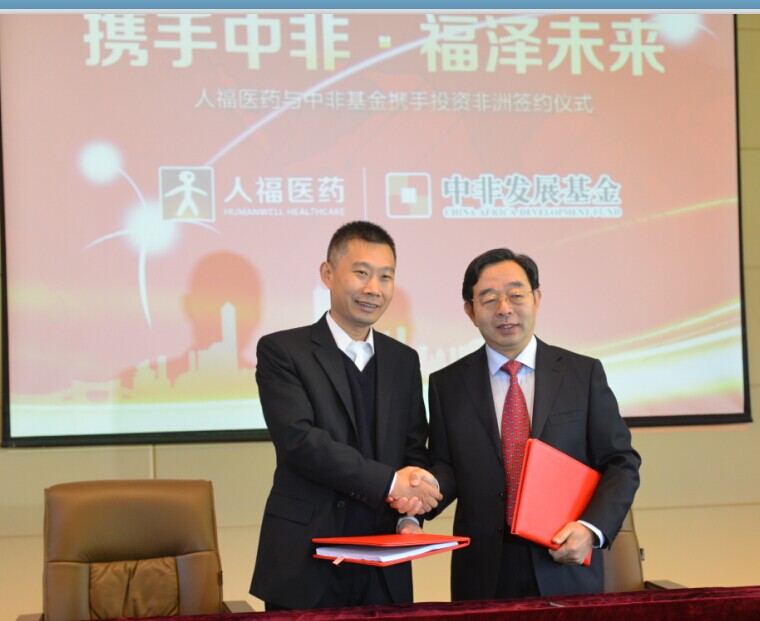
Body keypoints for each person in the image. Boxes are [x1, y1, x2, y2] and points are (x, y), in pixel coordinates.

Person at [423, 248, 641, 600]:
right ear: (470, 311)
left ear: (536, 299)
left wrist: (590, 529)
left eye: (516, 294)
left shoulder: (582, 374)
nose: (504, 308)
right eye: (488, 299)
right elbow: (446, 467)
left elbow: (621, 462)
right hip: (482, 573)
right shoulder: (446, 384)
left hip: (564, 561)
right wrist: (419, 494)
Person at [250, 221, 441, 610]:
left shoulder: (403, 360)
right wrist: (392, 483)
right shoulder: (283, 351)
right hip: (306, 560)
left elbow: (412, 448)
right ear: (328, 274)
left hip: (385, 563)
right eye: (361, 273)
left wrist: (410, 517)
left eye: (385, 276)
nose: (373, 288)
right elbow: (300, 442)